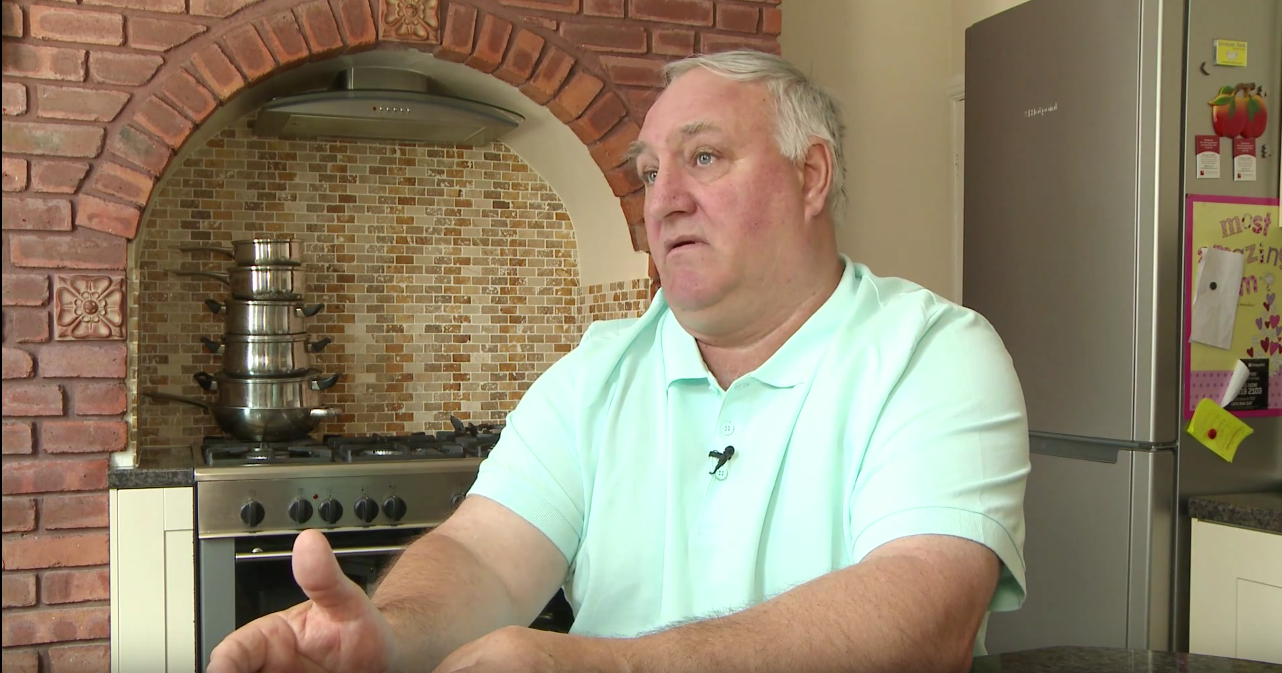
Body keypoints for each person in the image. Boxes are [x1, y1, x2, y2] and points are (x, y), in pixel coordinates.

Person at [207, 49, 1031, 673]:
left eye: (704, 157)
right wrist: (388, 635)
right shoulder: (599, 369)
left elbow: (926, 606)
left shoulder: (933, 356)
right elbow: (485, 553)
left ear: (810, 176)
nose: (663, 198)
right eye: (649, 171)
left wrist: (614, 664)